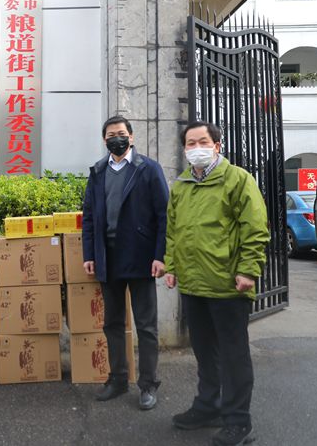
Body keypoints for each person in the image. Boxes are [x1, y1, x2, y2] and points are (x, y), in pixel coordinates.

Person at [164, 121, 269, 446]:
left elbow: (255, 228)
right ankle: (208, 406)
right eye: (190, 143)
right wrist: (172, 266)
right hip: (193, 285)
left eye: (203, 142)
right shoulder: (181, 186)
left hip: (228, 285)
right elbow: (173, 231)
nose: (196, 148)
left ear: (217, 146)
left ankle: (238, 420)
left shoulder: (238, 179)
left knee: (234, 355)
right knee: (204, 352)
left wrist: (248, 270)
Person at [81, 115, 169, 410]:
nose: (115, 138)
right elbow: (89, 217)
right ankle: (118, 379)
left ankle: (148, 385)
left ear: (131, 137)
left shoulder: (148, 169)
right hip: (109, 258)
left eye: (120, 133)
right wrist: (89, 255)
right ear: (104, 140)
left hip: (141, 258)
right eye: (110, 135)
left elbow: (164, 216)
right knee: (113, 323)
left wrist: (160, 256)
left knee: (146, 326)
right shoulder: (98, 171)